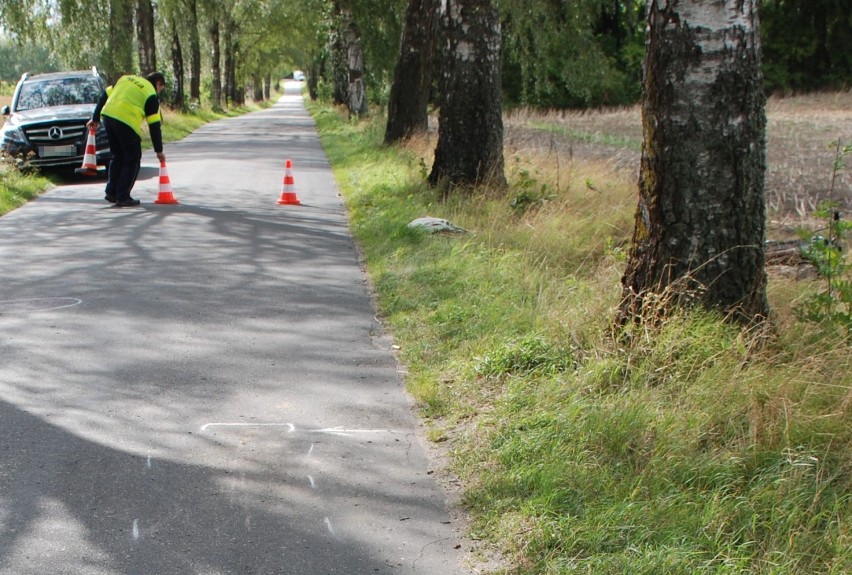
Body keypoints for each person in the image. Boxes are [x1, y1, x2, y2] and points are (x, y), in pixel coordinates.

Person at [87, 72, 167, 207]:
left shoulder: (126, 79)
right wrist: (159, 150)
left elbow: (105, 95)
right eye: (161, 89)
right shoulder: (150, 94)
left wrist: (95, 118)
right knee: (133, 158)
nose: (159, 92)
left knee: (117, 155)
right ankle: (123, 195)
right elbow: (154, 126)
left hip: (108, 116)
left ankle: (111, 191)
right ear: (158, 83)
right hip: (126, 121)